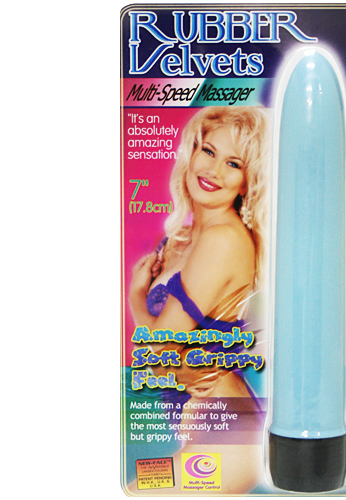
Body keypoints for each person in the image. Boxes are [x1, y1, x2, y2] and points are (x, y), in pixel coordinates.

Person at [127, 106, 268, 493]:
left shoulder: (223, 239)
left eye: (233, 164)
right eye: (208, 151)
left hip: (228, 444)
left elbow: (158, 350)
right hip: (204, 436)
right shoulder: (182, 239)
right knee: (132, 486)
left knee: (137, 491)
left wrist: (137, 296)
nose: (214, 170)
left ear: (246, 182)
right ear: (191, 152)